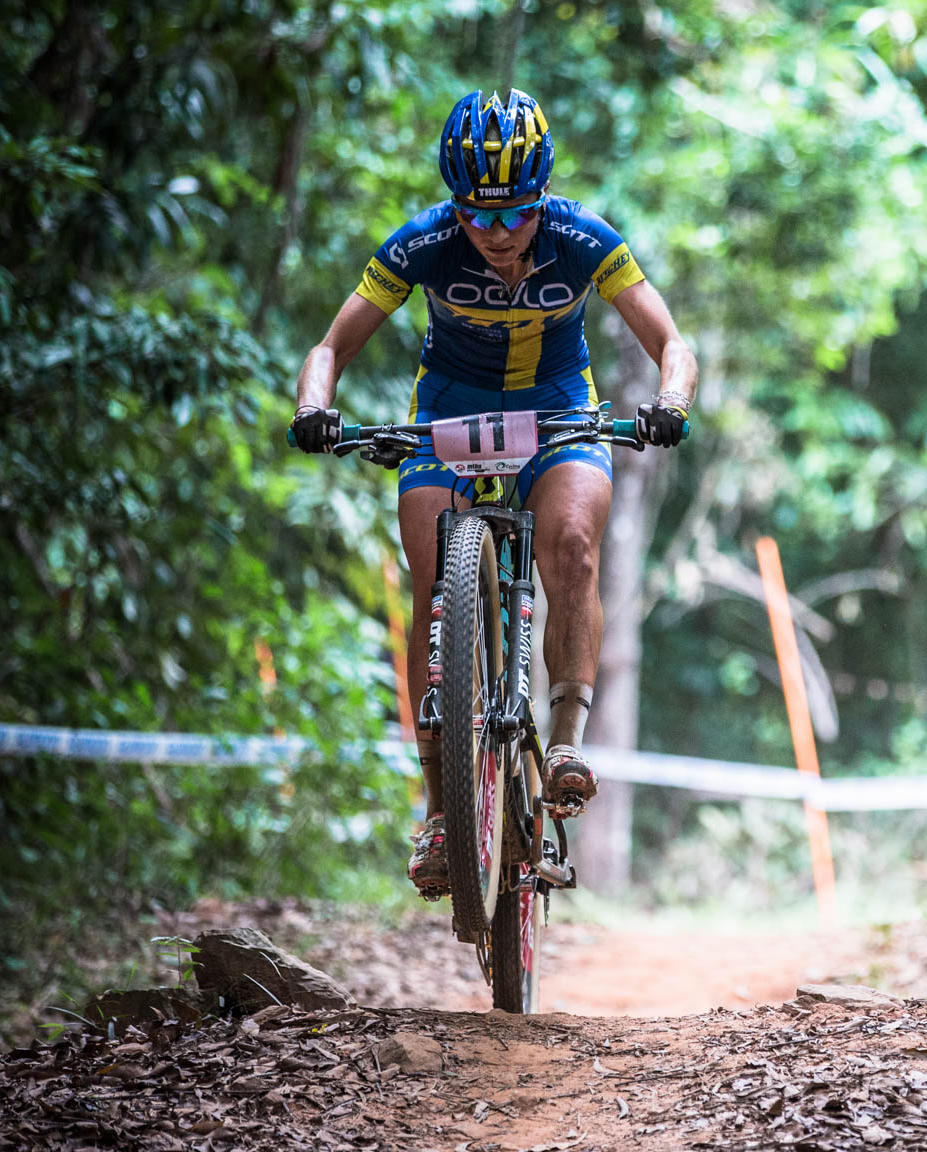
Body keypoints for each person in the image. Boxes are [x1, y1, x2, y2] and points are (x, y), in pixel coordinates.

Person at [288, 89, 697, 900]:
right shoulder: (423, 244)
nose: (499, 233)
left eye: (516, 215)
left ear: (542, 198)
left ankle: (568, 740)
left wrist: (672, 400)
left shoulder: (584, 238)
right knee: (431, 575)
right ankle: (441, 811)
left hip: (559, 407)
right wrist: (313, 409)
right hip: (447, 412)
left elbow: (670, 341)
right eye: (479, 216)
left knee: (574, 546)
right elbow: (331, 347)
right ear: (455, 204)